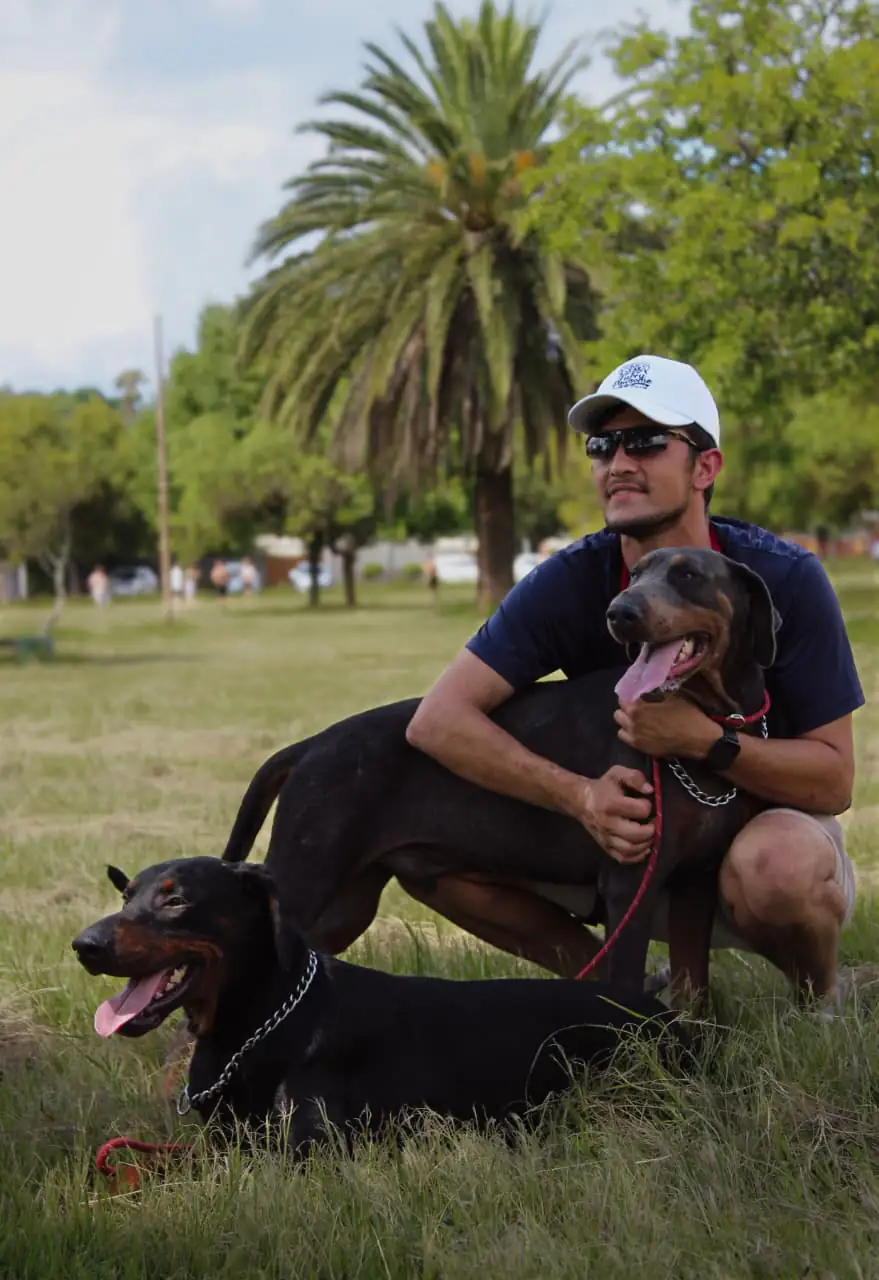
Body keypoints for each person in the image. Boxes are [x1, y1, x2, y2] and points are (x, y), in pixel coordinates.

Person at [405, 355, 864, 1009]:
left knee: (777, 867)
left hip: (756, 842)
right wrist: (578, 797)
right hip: (624, 848)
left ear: (705, 467)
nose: (618, 462)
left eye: (646, 442)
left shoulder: (782, 576)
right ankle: (625, 997)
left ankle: (820, 1001)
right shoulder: (569, 580)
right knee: (432, 855)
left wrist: (705, 742)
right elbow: (438, 721)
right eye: (603, 445)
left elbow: (833, 781)